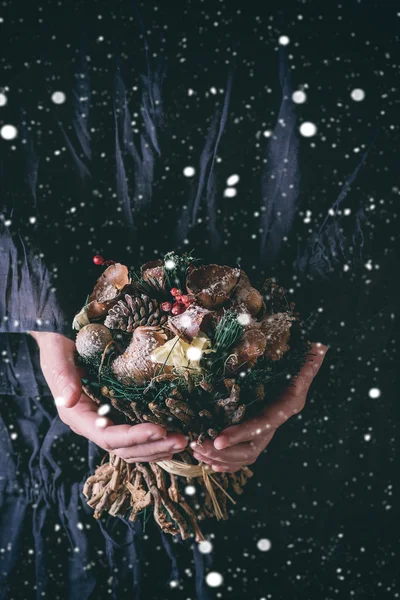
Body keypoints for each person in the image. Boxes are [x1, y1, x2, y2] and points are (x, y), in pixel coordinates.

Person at [1, 2, 397, 599]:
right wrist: (50, 335)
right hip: (63, 392)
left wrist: (302, 360)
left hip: (311, 403)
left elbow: (373, 152)